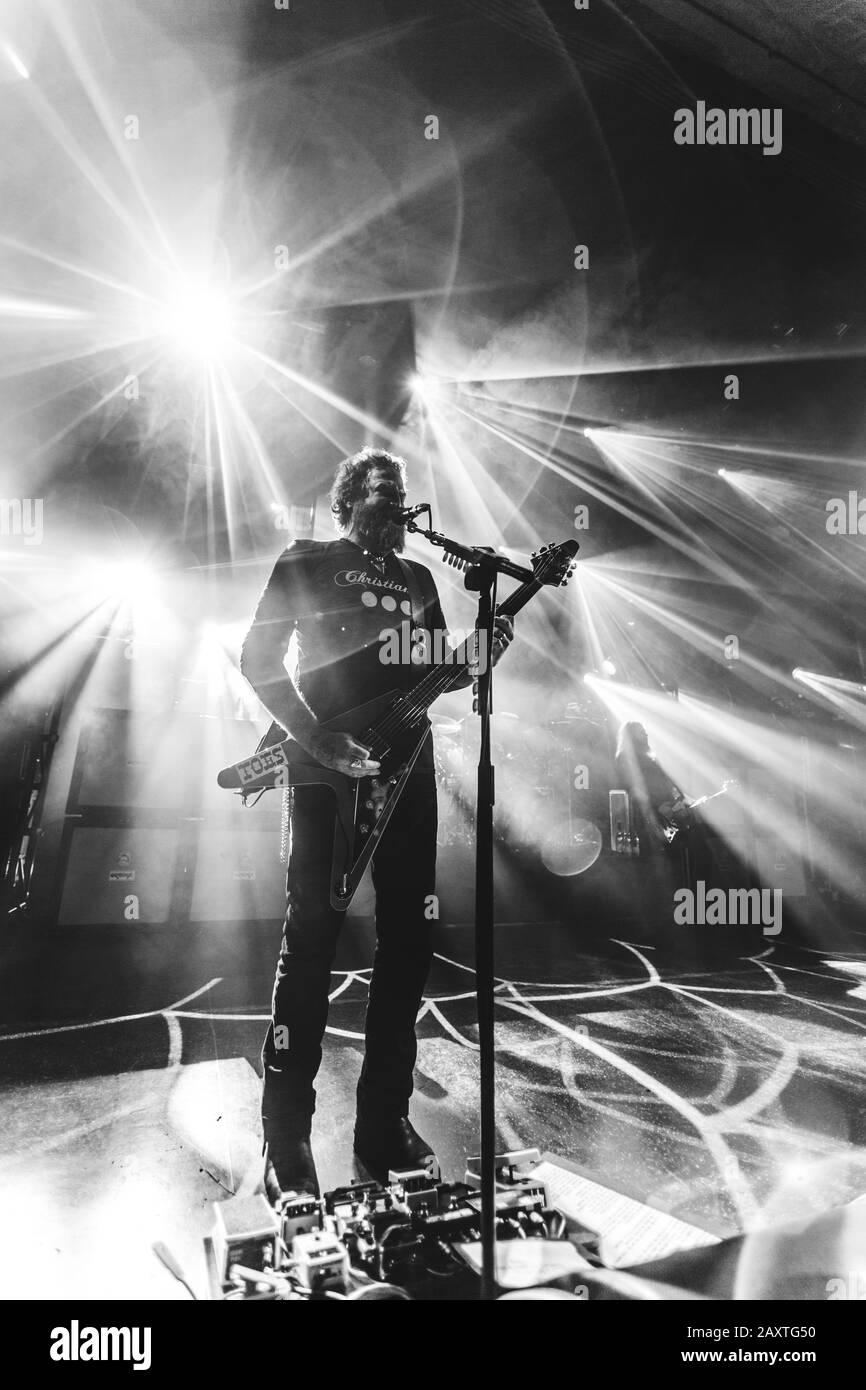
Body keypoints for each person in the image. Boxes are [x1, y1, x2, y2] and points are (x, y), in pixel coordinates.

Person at [240, 446, 513, 1198]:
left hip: (409, 772)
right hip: (326, 770)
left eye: (401, 490)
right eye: (378, 488)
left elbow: (433, 673)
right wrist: (313, 735)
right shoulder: (309, 559)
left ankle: (384, 1121)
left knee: (409, 943)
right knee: (310, 944)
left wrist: (477, 657)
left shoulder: (421, 577)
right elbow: (257, 655)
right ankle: (286, 1131)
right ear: (345, 502)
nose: (395, 499)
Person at [614, 721, 687, 856]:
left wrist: (679, 798)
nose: (645, 734)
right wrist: (657, 808)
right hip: (647, 819)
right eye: (641, 731)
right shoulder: (625, 757)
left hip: (665, 816)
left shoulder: (650, 756)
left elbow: (665, 781)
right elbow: (633, 788)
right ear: (631, 735)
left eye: (645, 731)